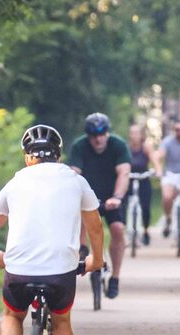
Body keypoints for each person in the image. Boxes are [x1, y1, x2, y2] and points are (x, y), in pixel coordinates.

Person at [0, 124, 105, 335]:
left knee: (13, 314)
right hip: (60, 272)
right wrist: (96, 261)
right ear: (59, 156)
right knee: (61, 322)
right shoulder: (76, 181)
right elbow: (95, 227)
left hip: (19, 270)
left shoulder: (16, 182)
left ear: (28, 157)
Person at [69, 112, 131, 299]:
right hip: (88, 197)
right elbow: (74, 173)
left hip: (112, 197)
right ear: (88, 135)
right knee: (78, 216)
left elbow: (124, 172)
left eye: (102, 134)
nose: (98, 139)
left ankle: (115, 278)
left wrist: (118, 197)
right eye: (94, 135)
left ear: (107, 132)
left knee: (118, 229)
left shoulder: (118, 145)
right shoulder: (80, 146)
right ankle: (83, 249)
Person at [127, 123, 156, 245]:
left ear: (141, 135)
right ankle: (126, 231)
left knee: (145, 208)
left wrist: (157, 171)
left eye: (137, 133)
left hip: (143, 178)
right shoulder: (126, 148)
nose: (135, 136)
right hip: (129, 178)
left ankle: (145, 230)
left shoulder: (146, 148)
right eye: (132, 133)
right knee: (122, 204)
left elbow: (154, 160)